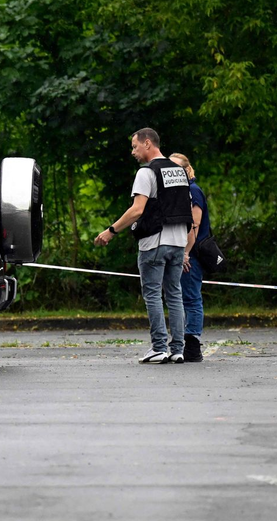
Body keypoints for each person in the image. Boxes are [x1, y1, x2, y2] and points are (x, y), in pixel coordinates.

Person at [94, 128, 194, 363]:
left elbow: (137, 209)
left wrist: (111, 231)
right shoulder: (179, 171)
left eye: (135, 146)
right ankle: (178, 349)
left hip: (155, 242)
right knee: (175, 295)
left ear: (147, 143)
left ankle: (159, 347)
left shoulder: (146, 172)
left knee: (152, 294)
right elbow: (186, 208)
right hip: (179, 242)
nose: (133, 152)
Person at [168, 152, 209, 362]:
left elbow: (195, 224)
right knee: (183, 297)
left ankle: (193, 345)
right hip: (183, 251)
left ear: (185, 170)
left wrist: (185, 253)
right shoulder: (181, 191)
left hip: (191, 253)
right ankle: (185, 341)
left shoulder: (193, 190)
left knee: (191, 297)